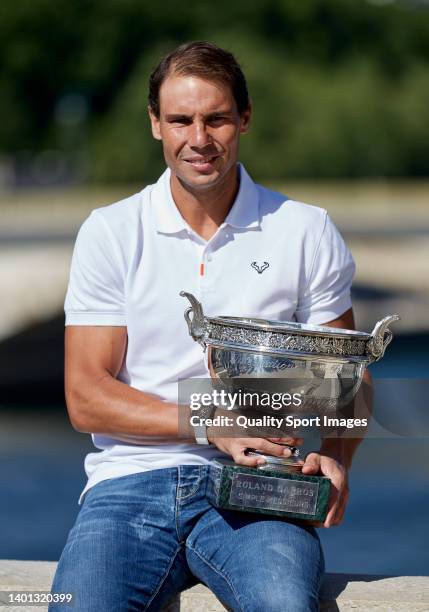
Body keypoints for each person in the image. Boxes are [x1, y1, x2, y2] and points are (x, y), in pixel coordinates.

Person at [50, 41, 368, 612]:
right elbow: (85, 397)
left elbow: (347, 385)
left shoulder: (305, 230)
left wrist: (337, 458)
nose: (199, 139)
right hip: (128, 486)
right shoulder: (111, 231)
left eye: (216, 118)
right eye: (180, 120)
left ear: (243, 118)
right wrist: (213, 423)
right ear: (155, 124)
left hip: (263, 489)